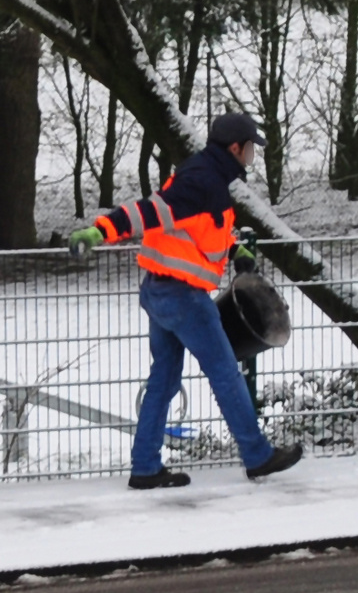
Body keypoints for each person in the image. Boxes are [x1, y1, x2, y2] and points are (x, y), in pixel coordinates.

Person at [67, 113, 302, 488]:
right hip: (183, 297)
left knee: (164, 378)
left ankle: (145, 467)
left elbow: (202, 228)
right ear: (235, 148)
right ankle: (257, 455)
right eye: (251, 149)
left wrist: (237, 250)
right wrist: (100, 231)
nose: (252, 157)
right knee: (225, 372)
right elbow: (150, 212)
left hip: (160, 291)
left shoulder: (207, 177)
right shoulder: (202, 180)